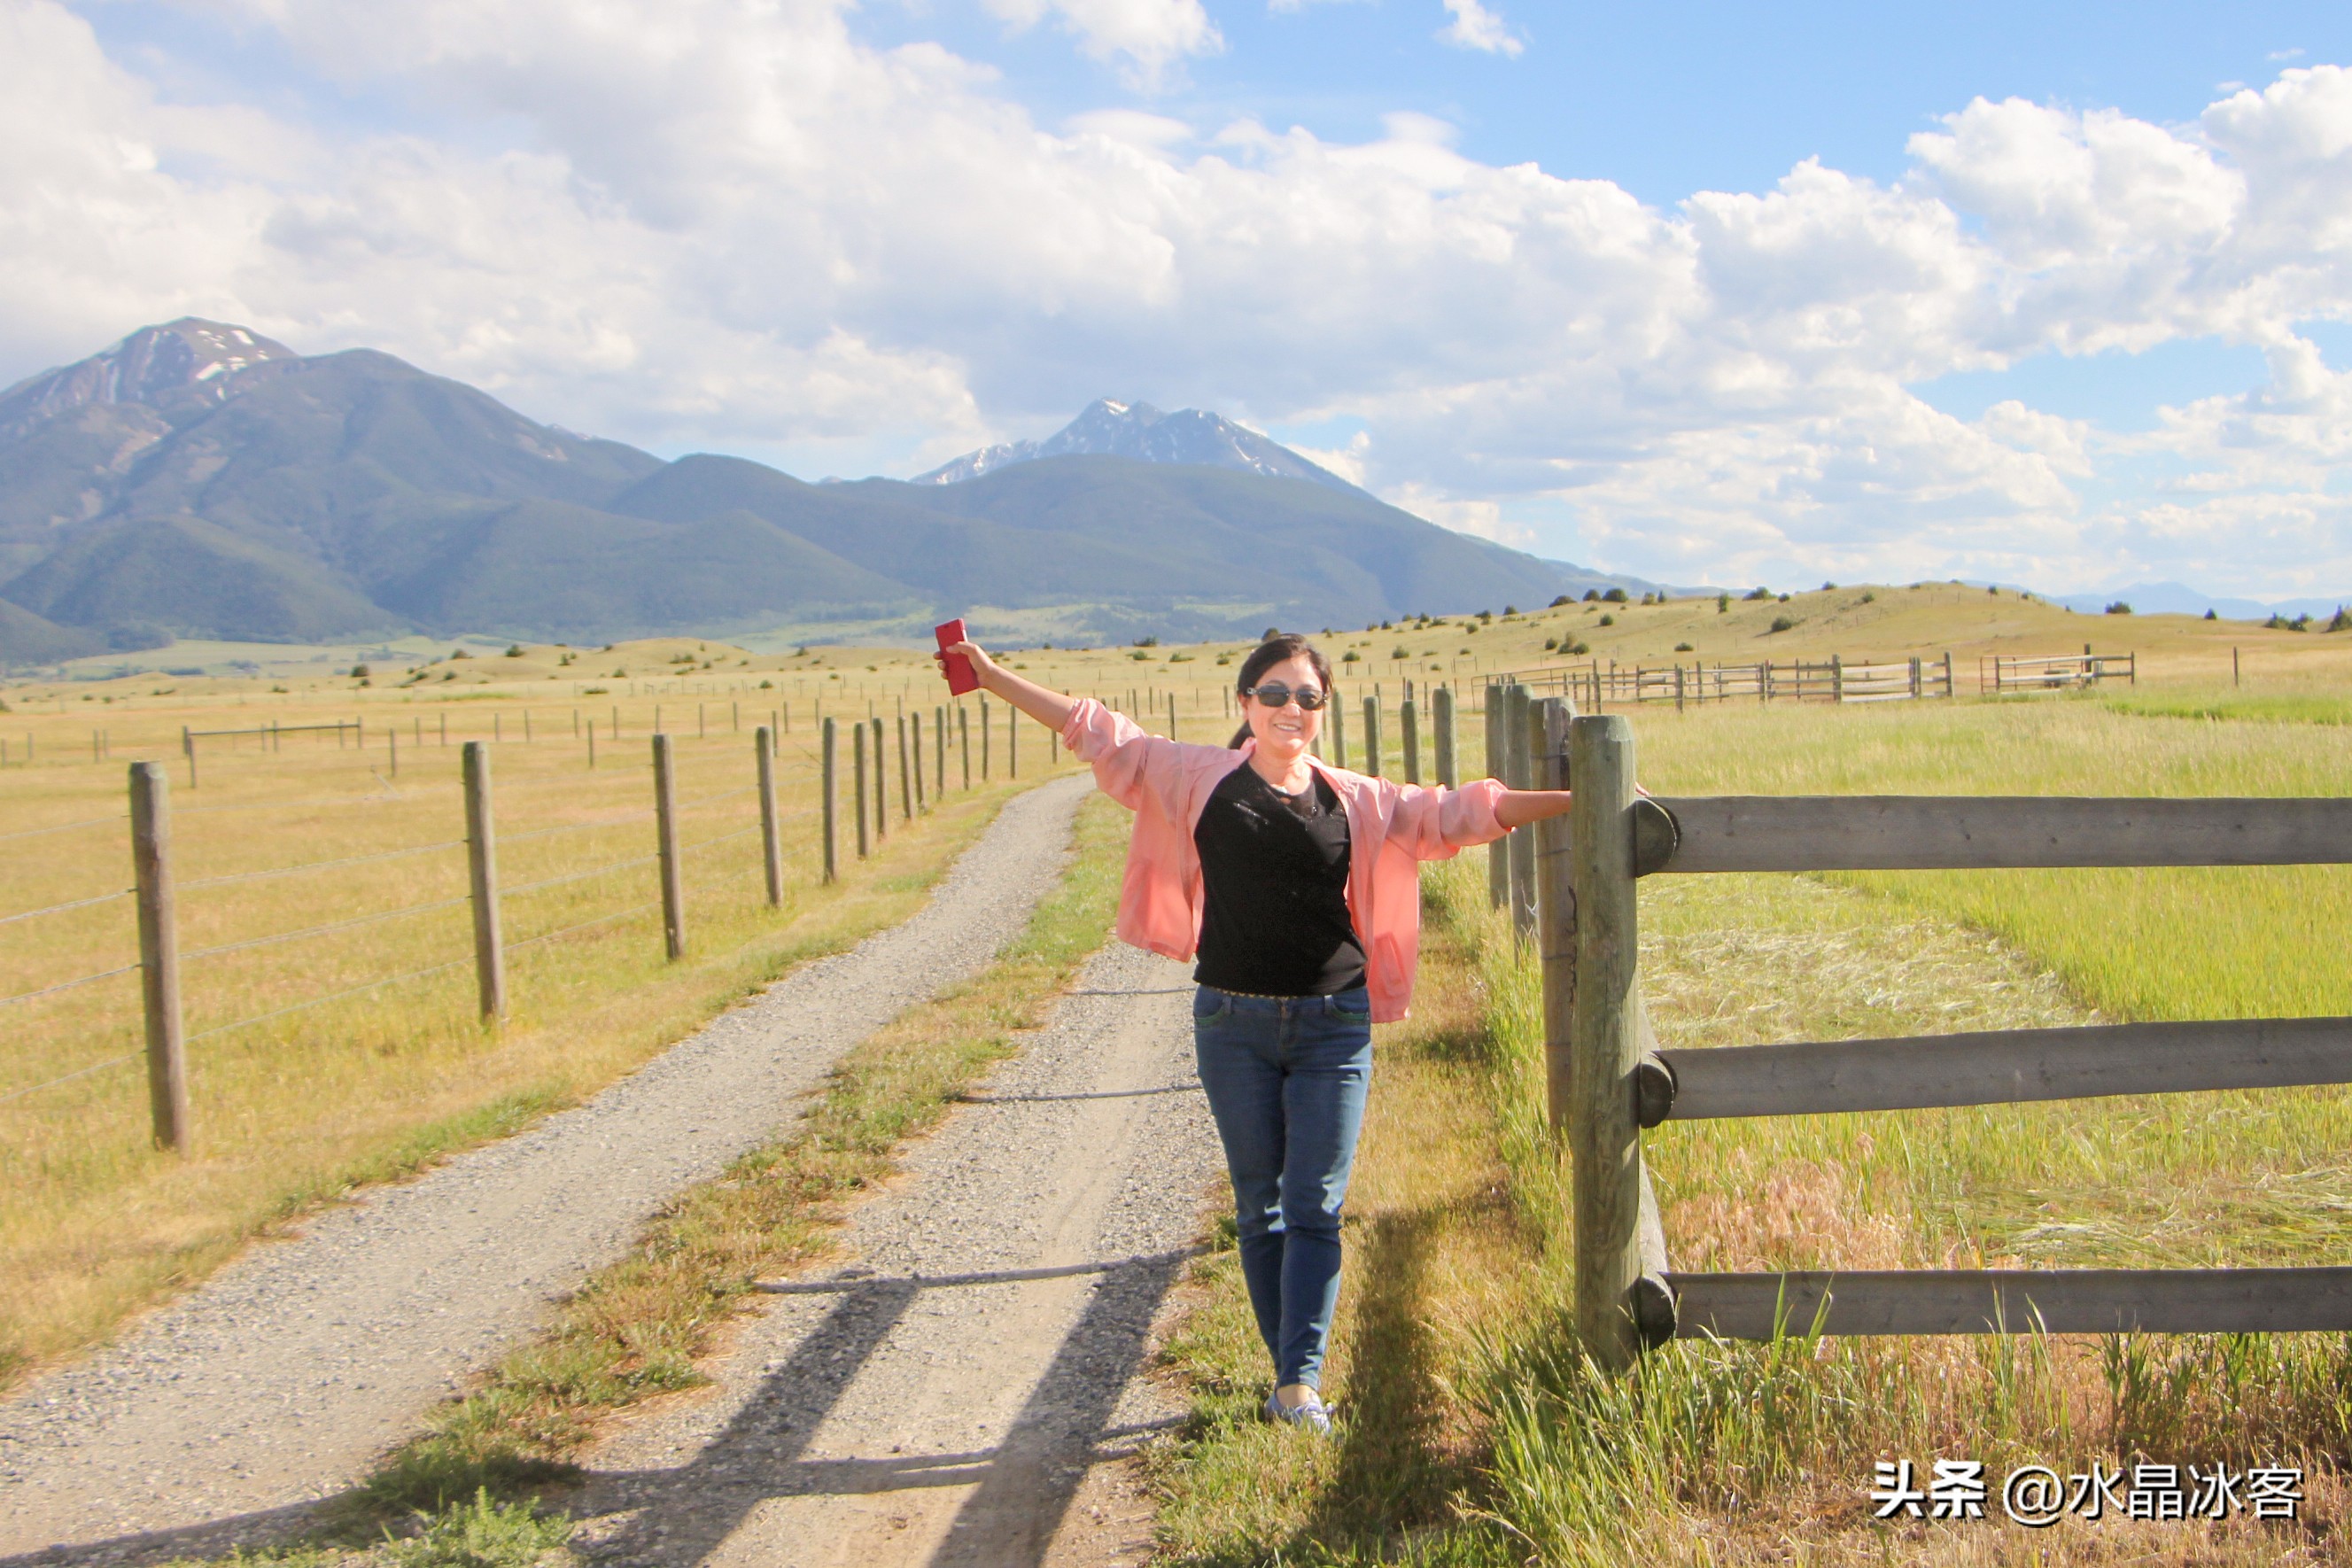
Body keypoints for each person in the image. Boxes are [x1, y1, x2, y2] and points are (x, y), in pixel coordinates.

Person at [937, 632, 1572, 1434]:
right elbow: (1095, 728)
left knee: (1314, 1202)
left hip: (1332, 1027)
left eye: (1306, 697)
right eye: (1273, 694)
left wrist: (1579, 800)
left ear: (1322, 710)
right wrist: (992, 677)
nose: (1289, 709)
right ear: (1244, 704)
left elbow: (1461, 812)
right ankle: (1291, 1377)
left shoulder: (1356, 800)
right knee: (1258, 1205)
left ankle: (1297, 1382)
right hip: (1231, 1023)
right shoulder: (1195, 778)